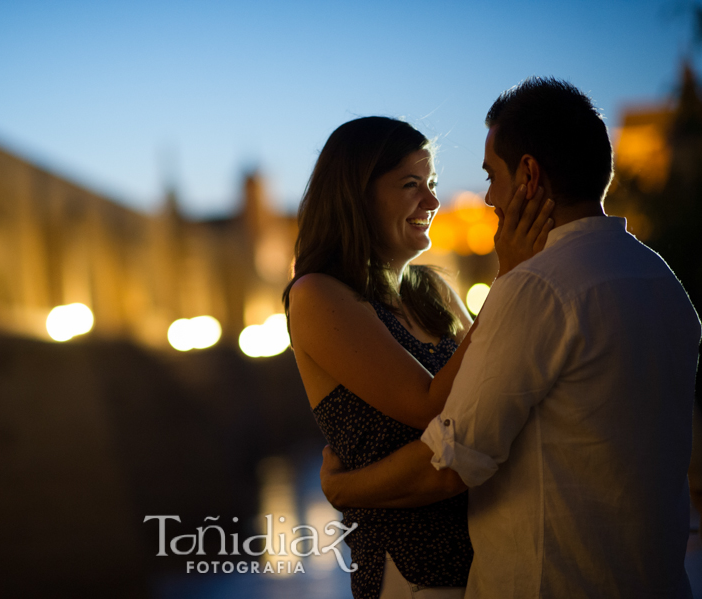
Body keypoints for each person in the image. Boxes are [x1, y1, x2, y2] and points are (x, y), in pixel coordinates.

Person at [320, 79, 702, 598]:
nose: (490, 198)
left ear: (528, 175)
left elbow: (453, 460)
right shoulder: (659, 279)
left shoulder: (536, 287)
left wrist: (344, 488)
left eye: (492, 177)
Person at [284, 116, 553, 599]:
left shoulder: (433, 291)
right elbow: (427, 402)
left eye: (430, 184)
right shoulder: (318, 295)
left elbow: (493, 385)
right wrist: (508, 279)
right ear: (355, 194)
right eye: (411, 185)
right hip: (412, 572)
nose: (431, 202)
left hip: (492, 561)